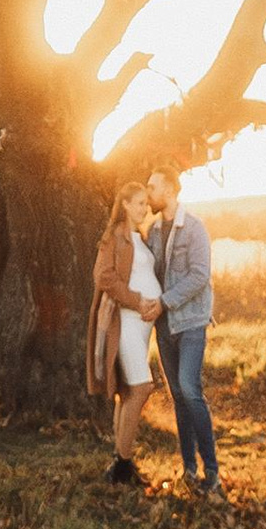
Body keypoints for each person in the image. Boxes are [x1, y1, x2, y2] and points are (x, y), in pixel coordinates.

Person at [147, 167, 222, 498]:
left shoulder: (194, 228)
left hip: (190, 322)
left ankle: (212, 471)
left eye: (153, 187)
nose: (149, 193)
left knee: (191, 390)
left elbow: (200, 275)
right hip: (163, 326)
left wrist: (164, 302)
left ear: (169, 190)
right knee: (178, 395)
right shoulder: (152, 232)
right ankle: (189, 469)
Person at [86, 180, 163, 484]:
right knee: (142, 388)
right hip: (126, 322)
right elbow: (103, 276)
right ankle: (122, 464)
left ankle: (120, 465)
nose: (146, 208)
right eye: (140, 203)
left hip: (143, 326)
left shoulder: (139, 237)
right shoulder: (115, 236)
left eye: (146, 203)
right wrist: (137, 300)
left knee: (128, 392)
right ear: (126, 205)